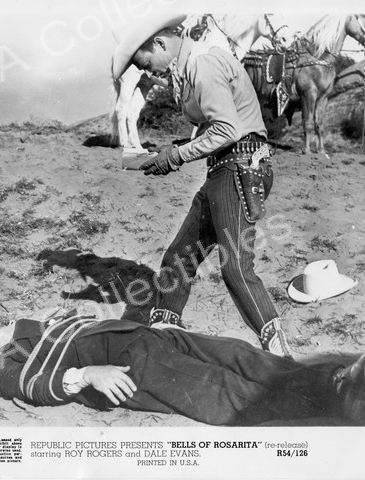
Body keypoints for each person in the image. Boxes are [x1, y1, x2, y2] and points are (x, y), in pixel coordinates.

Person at [111, 14, 290, 356]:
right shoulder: (191, 67)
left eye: (146, 64)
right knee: (179, 258)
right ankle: (165, 341)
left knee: (236, 267)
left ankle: (281, 357)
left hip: (239, 168)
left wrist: (176, 156)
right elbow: (214, 129)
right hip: (223, 170)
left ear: (160, 44)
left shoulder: (203, 63)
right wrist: (169, 154)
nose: (150, 73)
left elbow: (227, 130)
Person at [0, 311, 365, 426]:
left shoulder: (48, 325)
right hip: (129, 365)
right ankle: (346, 399)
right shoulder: (6, 363)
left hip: (149, 338)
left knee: (241, 355)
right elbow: (28, 386)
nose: (2, 325)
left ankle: (338, 379)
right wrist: (88, 376)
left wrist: (154, 328)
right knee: (221, 389)